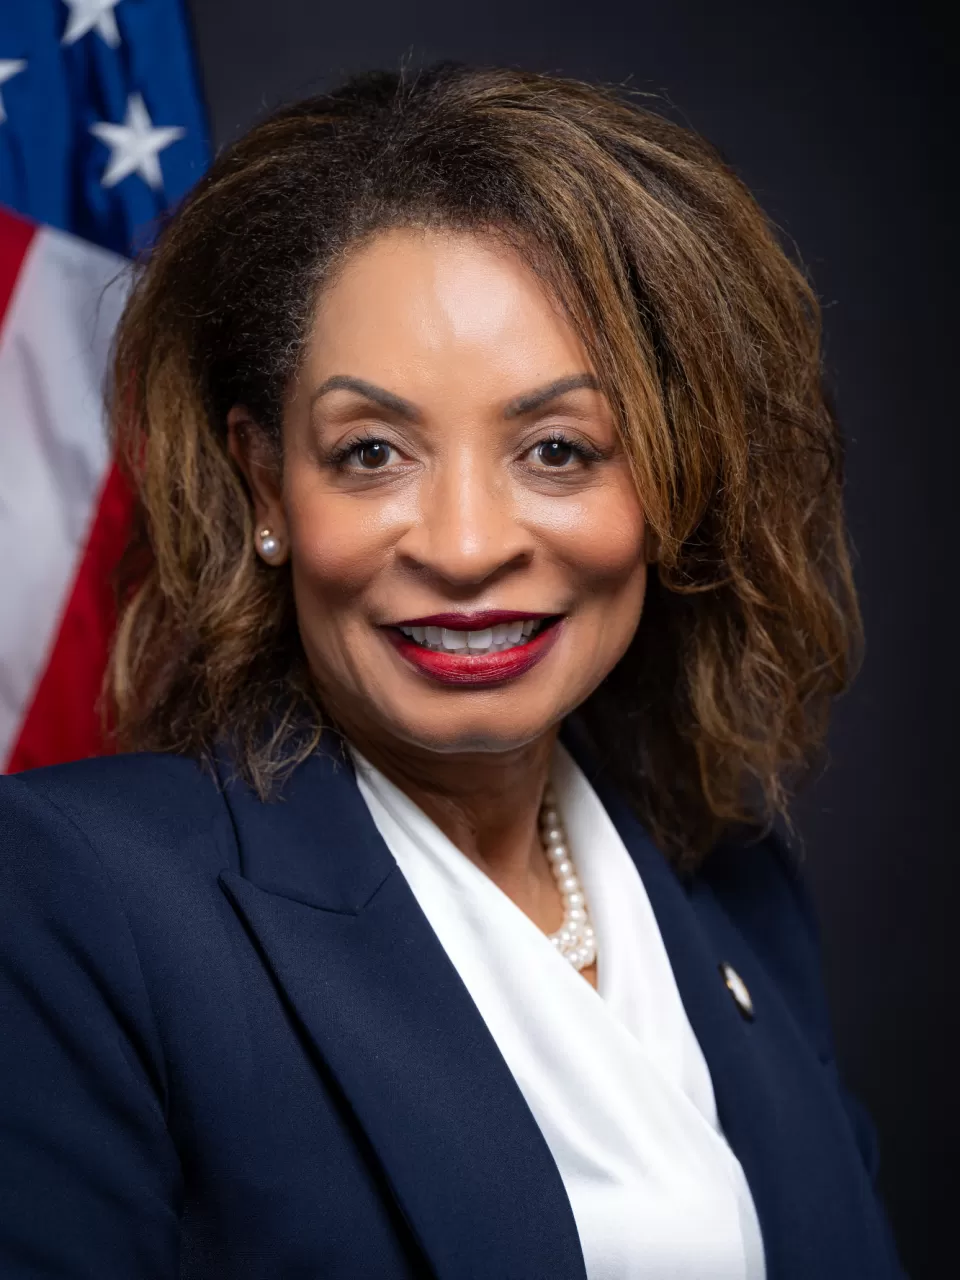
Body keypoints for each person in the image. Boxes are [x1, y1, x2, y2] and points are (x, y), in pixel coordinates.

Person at [0, 63, 906, 1278]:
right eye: (372, 451)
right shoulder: (77, 896)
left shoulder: (736, 887)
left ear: (672, 480)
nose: (468, 545)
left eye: (557, 448)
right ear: (269, 485)